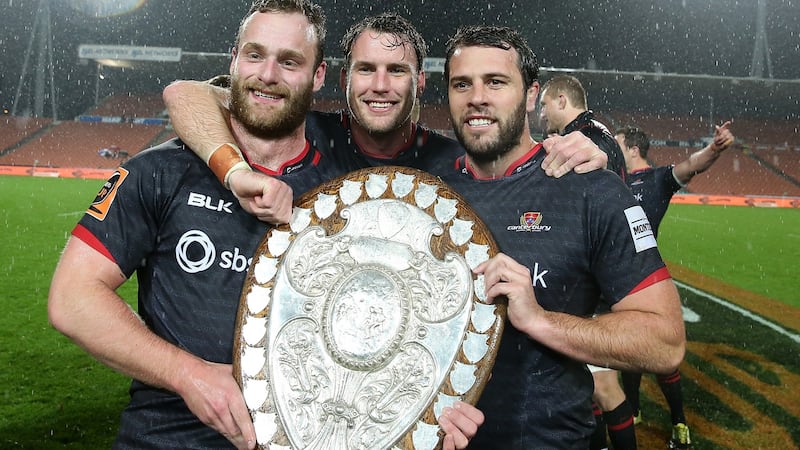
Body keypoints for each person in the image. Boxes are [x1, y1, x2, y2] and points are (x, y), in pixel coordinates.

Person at [48, 3, 478, 449]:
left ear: (318, 76)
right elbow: (72, 299)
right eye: (254, 56)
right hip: (167, 437)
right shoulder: (161, 171)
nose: (268, 74)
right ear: (233, 61)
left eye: (290, 61)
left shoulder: (353, 183)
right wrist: (188, 375)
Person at [434, 25, 686, 448]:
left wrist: (539, 321)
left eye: (496, 82)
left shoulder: (590, 188)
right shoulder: (425, 196)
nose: (477, 97)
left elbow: (665, 343)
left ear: (532, 95)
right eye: (462, 84)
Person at [162, 13, 610, 222]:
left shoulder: (452, 161)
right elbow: (185, 94)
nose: (380, 85)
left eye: (396, 71)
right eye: (366, 69)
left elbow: (517, 167)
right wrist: (233, 171)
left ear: (420, 83)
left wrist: (574, 146)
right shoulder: (307, 134)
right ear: (341, 78)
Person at [615, 122, 735, 449]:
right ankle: (635, 408)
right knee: (629, 349)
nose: (613, 146)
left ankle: (679, 422)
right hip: (615, 278)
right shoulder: (614, 180)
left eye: (618, 142)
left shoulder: (657, 179)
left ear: (633, 149)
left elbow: (692, 165)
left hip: (646, 278)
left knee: (660, 355)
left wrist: (714, 148)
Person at [541, 74, 637, 450]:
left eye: (545, 104)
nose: (542, 112)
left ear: (562, 100)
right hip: (591, 274)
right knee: (587, 383)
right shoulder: (594, 132)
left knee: (604, 386)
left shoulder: (589, 135)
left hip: (594, 279)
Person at [539, 74, 627, 180]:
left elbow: (602, 189)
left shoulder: (591, 136)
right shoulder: (591, 132)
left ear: (561, 102)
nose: (542, 114)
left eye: (544, 105)